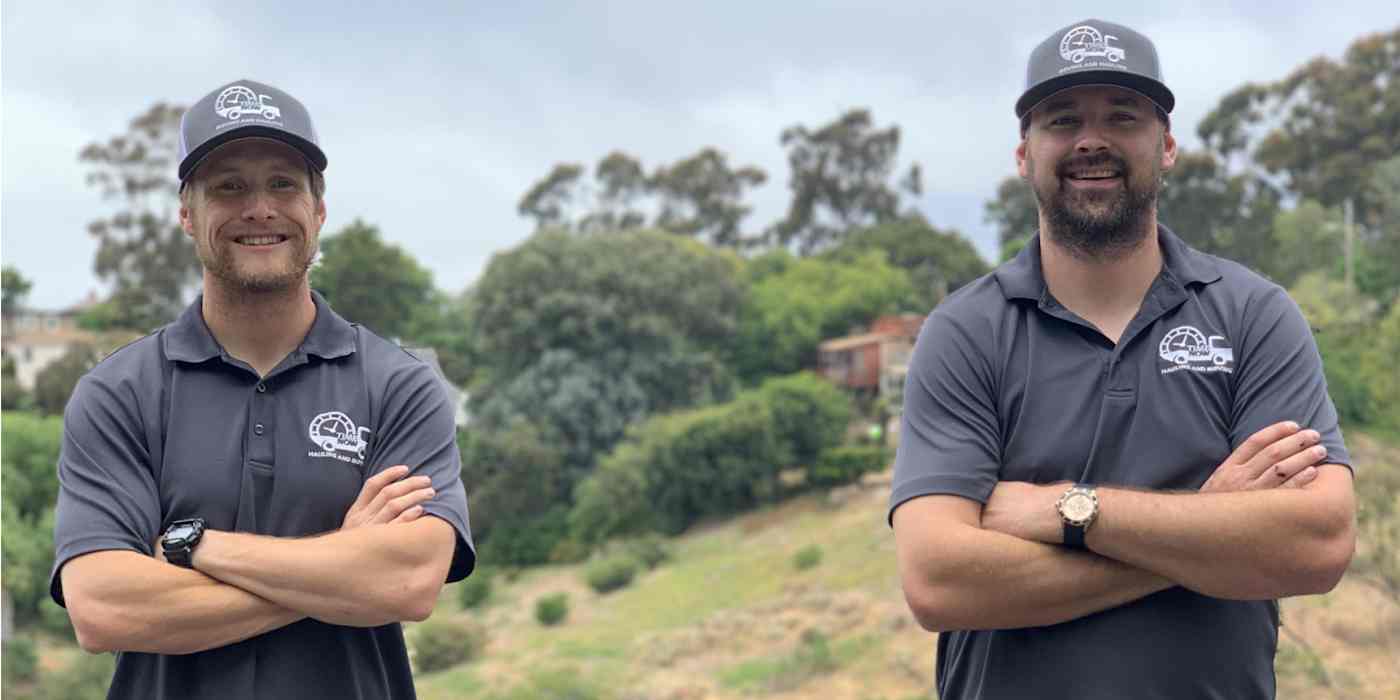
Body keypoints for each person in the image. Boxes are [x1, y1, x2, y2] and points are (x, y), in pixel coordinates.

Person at [889, 19, 1355, 699]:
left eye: (1122, 116)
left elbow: (1318, 545)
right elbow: (938, 580)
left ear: (1165, 147)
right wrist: (1209, 532)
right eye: (1062, 118)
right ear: (1025, 154)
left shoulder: (1254, 316)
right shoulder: (965, 333)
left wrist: (1071, 513)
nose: (1091, 139)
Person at [49, 78, 474, 700]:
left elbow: (407, 584)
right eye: (229, 187)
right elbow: (104, 609)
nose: (259, 209)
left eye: (283, 183)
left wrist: (190, 547)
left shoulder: (400, 386)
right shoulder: (117, 393)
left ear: (319, 210)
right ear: (188, 216)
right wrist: (344, 564)